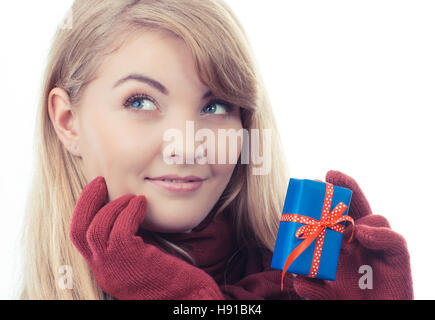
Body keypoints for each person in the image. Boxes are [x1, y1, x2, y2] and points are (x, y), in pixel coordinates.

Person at [19, 0, 413, 300]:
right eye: (140, 102)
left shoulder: (307, 271)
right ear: (68, 121)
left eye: (216, 105)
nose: (188, 146)